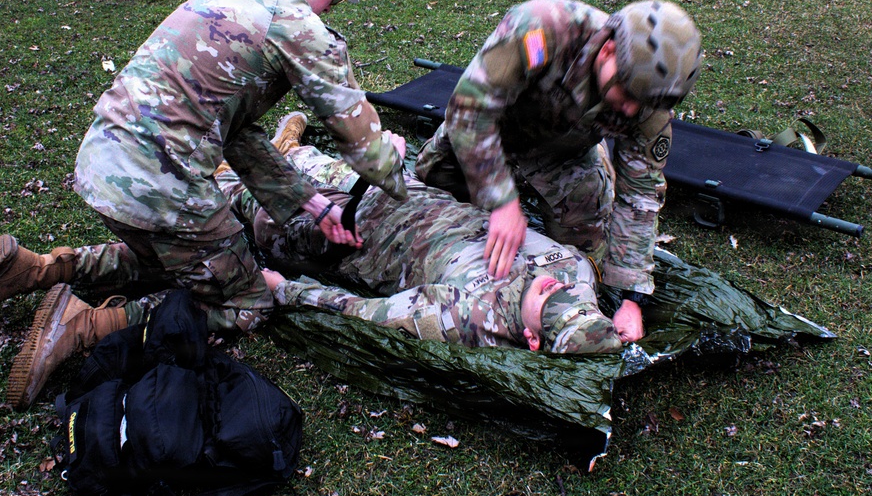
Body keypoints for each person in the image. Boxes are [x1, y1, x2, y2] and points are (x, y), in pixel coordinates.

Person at [0, 0, 408, 410]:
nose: (335, 6)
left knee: (171, 260)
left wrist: (312, 204)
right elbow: (366, 147)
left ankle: (35, 270)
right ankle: (82, 325)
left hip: (104, 167)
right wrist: (391, 157)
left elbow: (235, 133)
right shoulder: (299, 25)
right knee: (246, 301)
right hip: (160, 185)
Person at [413, 0, 703, 343]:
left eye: (641, 104)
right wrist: (502, 201)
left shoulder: (649, 100)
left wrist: (631, 298)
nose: (630, 110)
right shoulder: (542, 28)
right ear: (608, 50)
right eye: (626, 94)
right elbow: (469, 112)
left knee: (584, 261)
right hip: (490, 135)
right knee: (430, 202)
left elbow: (640, 197)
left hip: (565, 159)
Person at [216, 114, 636, 353]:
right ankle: (293, 152)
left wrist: (286, 289)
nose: (555, 288)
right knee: (334, 169)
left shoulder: (466, 316)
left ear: (531, 338)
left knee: (275, 219)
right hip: (417, 196)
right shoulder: (576, 274)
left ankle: (227, 178)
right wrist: (628, 304)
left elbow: (363, 313)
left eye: (552, 305)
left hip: (357, 235)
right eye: (577, 300)